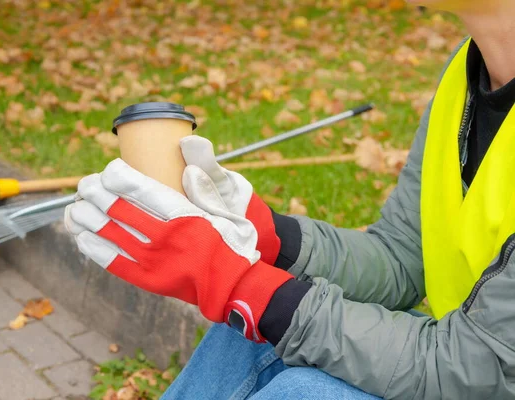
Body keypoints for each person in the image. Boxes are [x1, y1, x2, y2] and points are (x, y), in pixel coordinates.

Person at [63, 0, 515, 398]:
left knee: (306, 391)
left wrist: (245, 289)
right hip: (465, 366)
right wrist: (266, 234)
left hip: (474, 372)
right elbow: (402, 257)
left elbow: (478, 365)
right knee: (247, 335)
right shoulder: (465, 73)